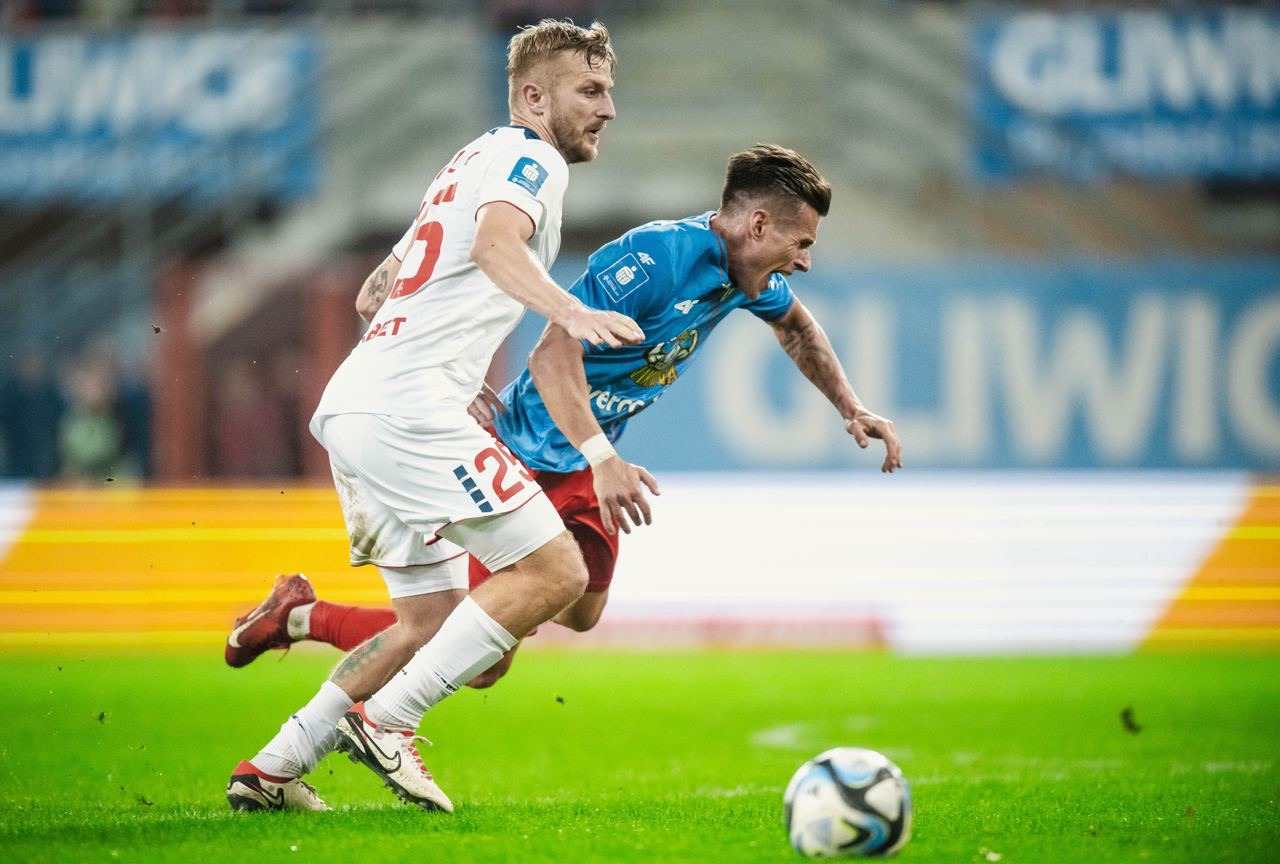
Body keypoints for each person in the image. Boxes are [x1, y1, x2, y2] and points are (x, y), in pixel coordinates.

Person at [227, 143, 903, 811]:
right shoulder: (658, 257)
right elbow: (551, 357)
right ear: (757, 225)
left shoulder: (746, 277)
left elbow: (797, 328)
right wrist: (601, 457)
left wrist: (851, 407)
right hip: (530, 449)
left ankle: (300, 647)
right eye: (801, 243)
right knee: (476, 654)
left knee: (577, 612)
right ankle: (318, 644)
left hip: (587, 460)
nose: (805, 261)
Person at [226, 18, 643, 814]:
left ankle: (273, 767)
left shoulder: (467, 161)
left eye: (609, 91)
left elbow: (373, 293)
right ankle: (389, 723)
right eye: (590, 91)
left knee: (427, 622)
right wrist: (570, 313)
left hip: (359, 402)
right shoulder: (532, 161)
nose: (608, 109)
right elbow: (493, 246)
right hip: (406, 409)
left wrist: (451, 364)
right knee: (558, 572)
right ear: (533, 97)